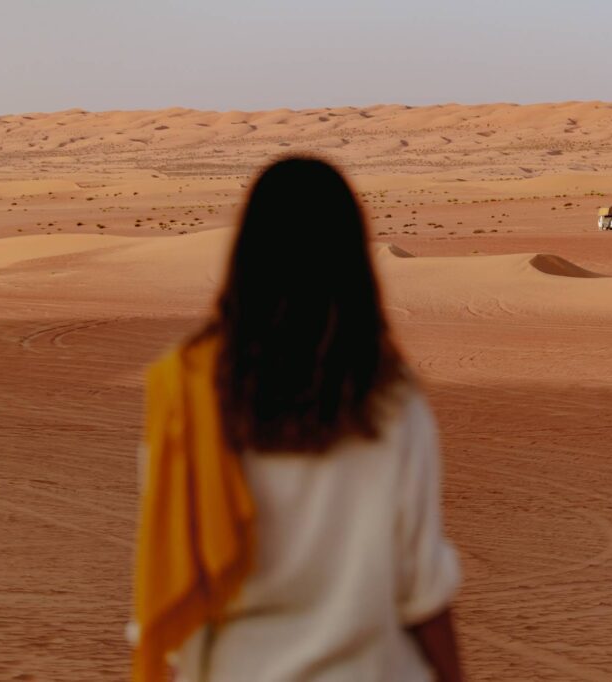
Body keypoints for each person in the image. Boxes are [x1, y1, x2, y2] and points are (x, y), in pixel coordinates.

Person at [131, 157, 463, 682]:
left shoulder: (186, 394)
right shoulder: (391, 399)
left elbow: (171, 567)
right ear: (353, 261)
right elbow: (422, 592)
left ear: (246, 255)